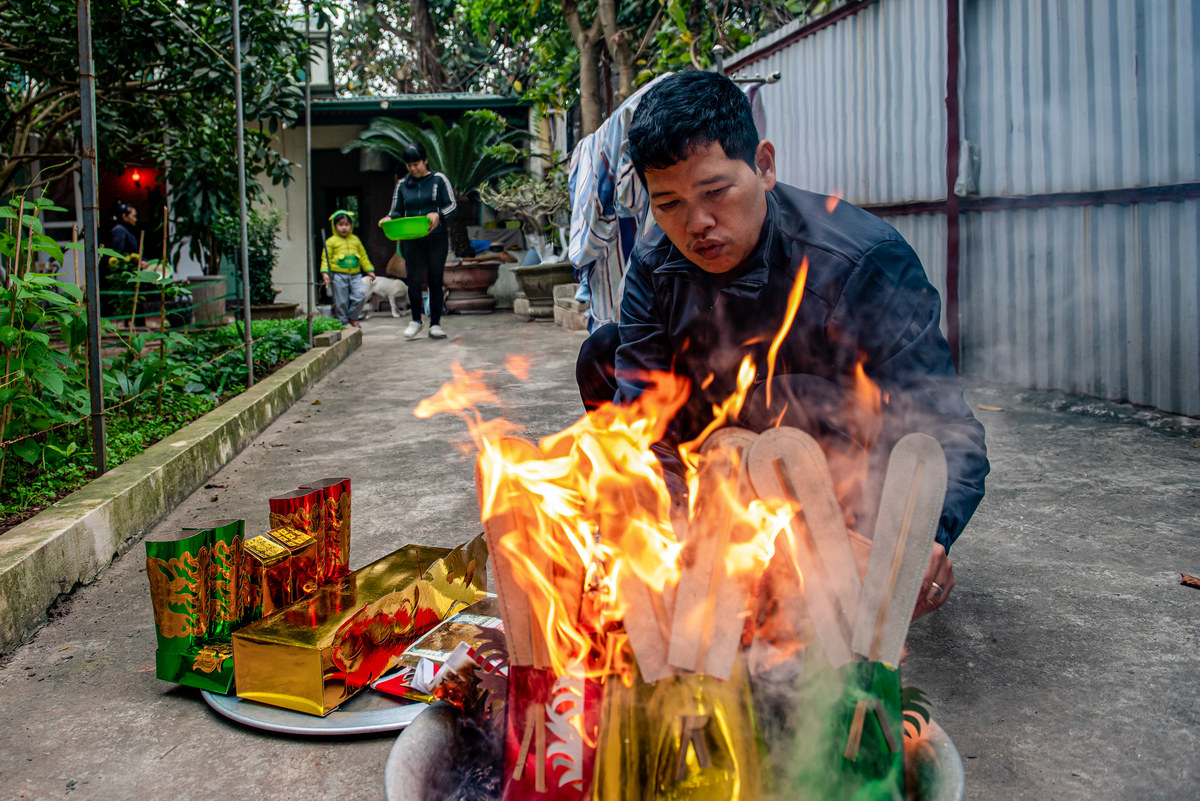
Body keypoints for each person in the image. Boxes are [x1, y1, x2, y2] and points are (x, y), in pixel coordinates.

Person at [575, 71, 989, 620]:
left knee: (792, 398)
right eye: (668, 203)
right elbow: (639, 416)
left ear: (764, 166)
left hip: (831, 465)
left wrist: (920, 536)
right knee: (604, 354)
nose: (696, 223)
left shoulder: (862, 261)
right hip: (718, 450)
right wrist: (658, 519)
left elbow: (947, 430)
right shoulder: (653, 262)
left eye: (716, 191)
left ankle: (828, 543)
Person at [378, 142, 456, 341]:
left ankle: (436, 324)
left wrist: (438, 214)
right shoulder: (403, 184)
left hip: (436, 239)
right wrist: (389, 218)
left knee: (435, 280)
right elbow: (396, 210)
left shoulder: (438, 180)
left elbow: (452, 206)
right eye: (409, 165)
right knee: (413, 280)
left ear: (425, 160)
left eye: (416, 163)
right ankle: (415, 320)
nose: (413, 168)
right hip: (412, 239)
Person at [321, 210, 375, 328]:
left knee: (362, 295)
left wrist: (369, 270)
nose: (344, 228)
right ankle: (342, 322)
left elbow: (363, 257)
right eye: (341, 225)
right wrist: (325, 273)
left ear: (351, 225)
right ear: (335, 226)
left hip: (355, 275)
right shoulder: (331, 241)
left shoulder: (355, 240)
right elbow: (326, 258)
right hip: (338, 275)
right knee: (341, 302)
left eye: (347, 224)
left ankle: (352, 316)